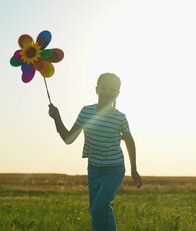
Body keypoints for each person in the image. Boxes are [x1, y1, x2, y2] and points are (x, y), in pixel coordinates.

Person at [48, 72, 142, 231]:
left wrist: (134, 169)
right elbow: (69, 139)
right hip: (94, 170)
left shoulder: (120, 118)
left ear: (117, 94)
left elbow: (130, 141)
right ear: (96, 90)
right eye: (104, 88)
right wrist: (57, 118)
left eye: (112, 89)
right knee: (96, 212)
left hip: (114, 169)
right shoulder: (86, 112)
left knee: (100, 207)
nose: (107, 92)